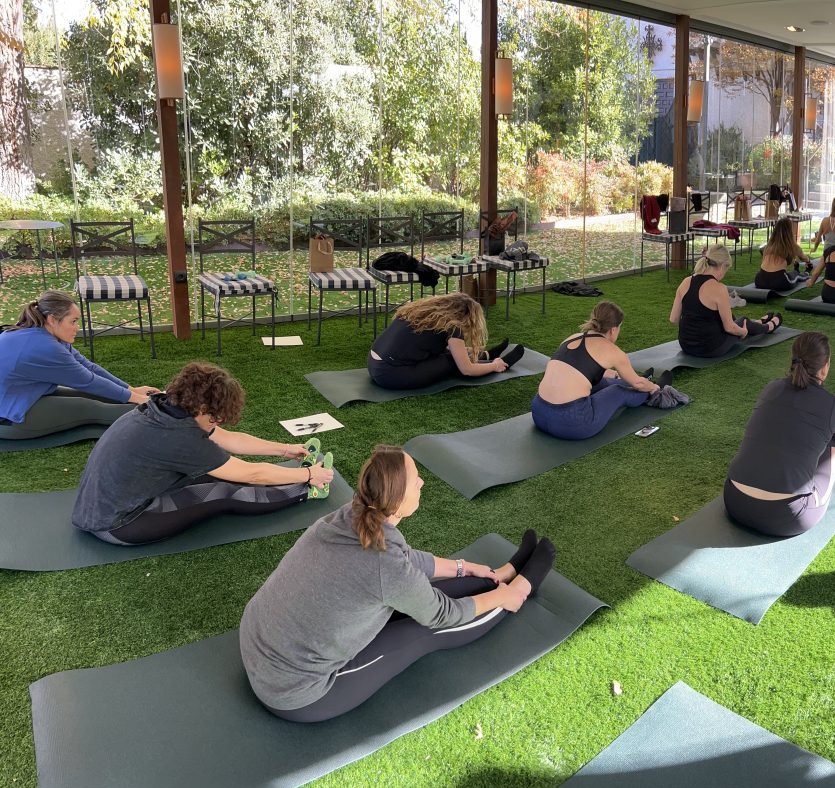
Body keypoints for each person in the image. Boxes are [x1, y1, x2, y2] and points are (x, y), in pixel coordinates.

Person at [240, 445, 556, 722]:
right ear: (396, 500)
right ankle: (520, 588)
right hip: (296, 692)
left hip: (261, 649)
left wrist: (466, 568)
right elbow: (440, 613)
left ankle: (503, 574)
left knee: (412, 595)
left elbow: (401, 564)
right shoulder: (384, 565)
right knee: (421, 628)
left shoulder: (351, 514)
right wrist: (503, 597)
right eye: (415, 479)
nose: (422, 482)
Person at [70, 362, 335, 545]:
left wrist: (285, 449)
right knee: (225, 491)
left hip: (96, 510)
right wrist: (309, 474)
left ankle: (300, 479)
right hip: (118, 525)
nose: (217, 424)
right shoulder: (180, 436)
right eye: (215, 418)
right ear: (202, 408)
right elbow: (250, 473)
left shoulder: (166, 405)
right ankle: (306, 491)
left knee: (215, 475)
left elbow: (229, 440)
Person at [723, 332, 835, 537]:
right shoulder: (834, 405)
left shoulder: (771, 388)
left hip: (734, 501)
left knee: (816, 441)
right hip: (788, 516)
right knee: (832, 456)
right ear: (825, 366)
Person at [0, 290, 160, 439]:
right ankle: (162, 411)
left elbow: (88, 366)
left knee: (90, 395)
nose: (77, 328)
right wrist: (138, 399)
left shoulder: (43, 333)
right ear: (52, 319)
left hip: (23, 395)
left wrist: (131, 389)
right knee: (89, 407)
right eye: (73, 321)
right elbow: (88, 381)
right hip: (9, 417)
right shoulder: (45, 347)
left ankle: (157, 404)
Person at [533, 301, 661, 441]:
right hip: (572, 423)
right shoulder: (613, 351)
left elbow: (580, 368)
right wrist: (653, 387)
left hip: (539, 413)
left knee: (602, 383)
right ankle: (653, 392)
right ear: (613, 329)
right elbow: (638, 385)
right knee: (617, 391)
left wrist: (616, 374)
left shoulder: (572, 338)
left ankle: (642, 380)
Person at [367, 293, 525, 391]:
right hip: (390, 374)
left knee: (448, 352)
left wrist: (469, 351)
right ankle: (498, 362)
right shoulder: (452, 326)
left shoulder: (420, 313)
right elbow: (467, 370)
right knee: (451, 361)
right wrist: (494, 367)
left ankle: (486, 354)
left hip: (374, 364)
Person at [672, 244, 783, 358]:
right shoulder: (719, 288)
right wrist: (743, 332)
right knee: (743, 322)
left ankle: (758, 322)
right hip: (709, 348)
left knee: (731, 317)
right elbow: (729, 328)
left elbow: (673, 319)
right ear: (722, 266)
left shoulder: (686, 281)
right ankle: (768, 327)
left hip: (685, 345)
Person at [756, 218, 815, 292]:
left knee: (789, 274)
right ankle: (806, 272)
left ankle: (796, 270)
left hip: (759, 280)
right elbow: (804, 258)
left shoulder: (768, 246)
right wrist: (809, 262)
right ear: (789, 231)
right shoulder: (792, 246)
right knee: (796, 275)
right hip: (779, 282)